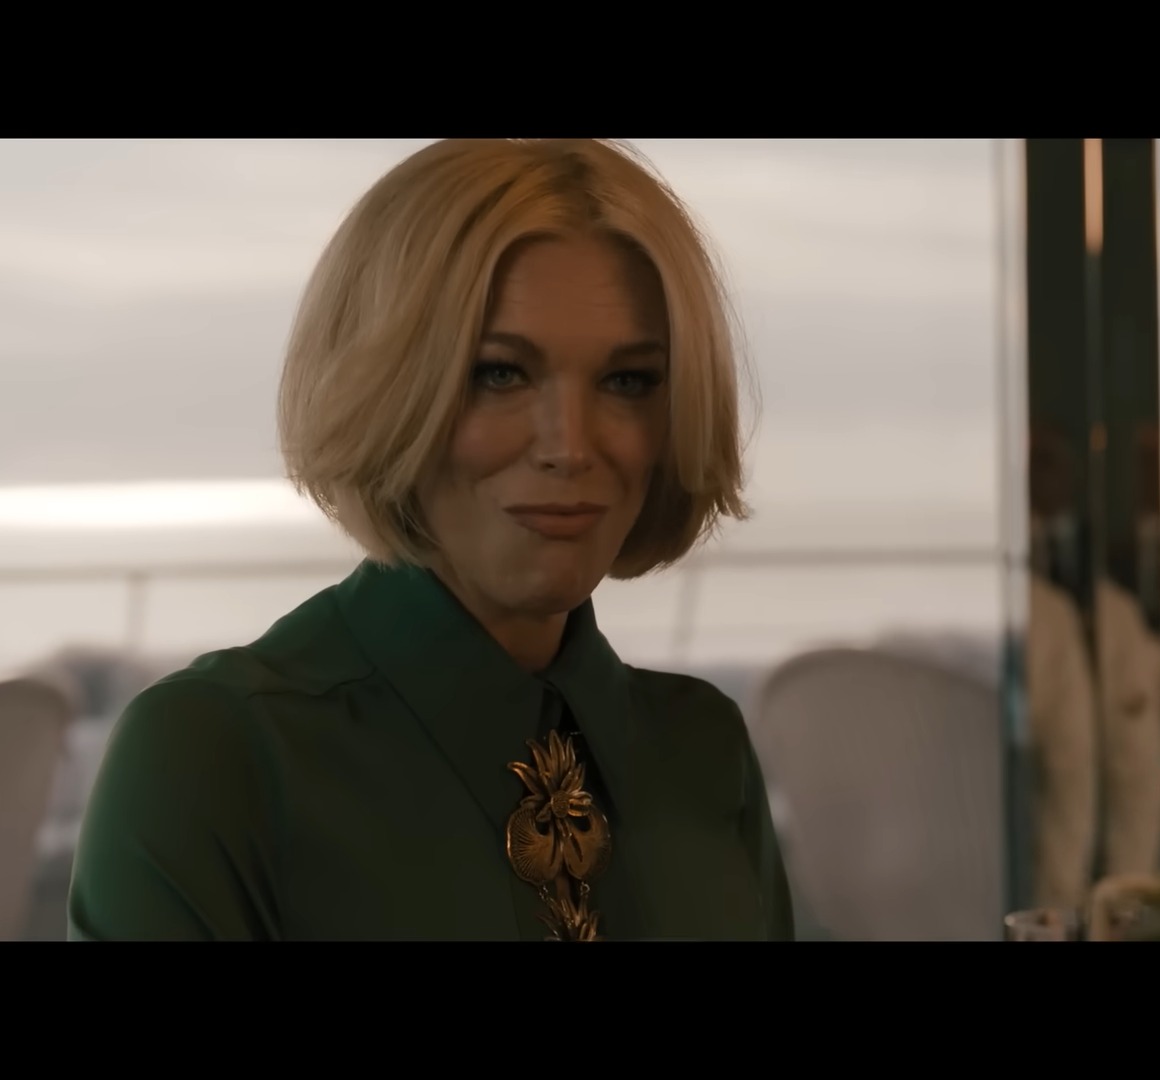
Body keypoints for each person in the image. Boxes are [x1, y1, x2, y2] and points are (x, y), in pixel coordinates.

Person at [67, 139, 793, 941]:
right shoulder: (214, 755)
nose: (570, 446)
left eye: (628, 381)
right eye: (500, 373)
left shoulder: (704, 750)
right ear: (385, 391)